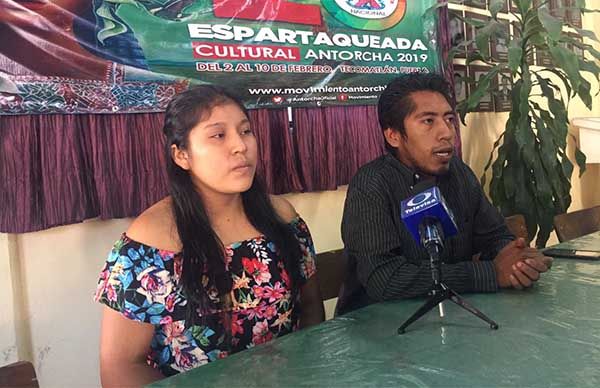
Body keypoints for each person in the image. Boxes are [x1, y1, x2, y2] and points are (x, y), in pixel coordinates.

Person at [94, 85, 325, 385]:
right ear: (182, 155)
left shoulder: (283, 218)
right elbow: (120, 366)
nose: (240, 146)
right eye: (218, 135)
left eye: (245, 131)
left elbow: (310, 310)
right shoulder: (149, 242)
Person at [336, 73, 552, 315]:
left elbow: (494, 235)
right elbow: (384, 279)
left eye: (449, 119)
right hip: (378, 328)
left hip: (451, 314)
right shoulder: (371, 184)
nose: (447, 133)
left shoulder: (459, 172)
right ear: (393, 135)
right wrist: (490, 273)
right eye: (428, 121)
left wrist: (516, 260)